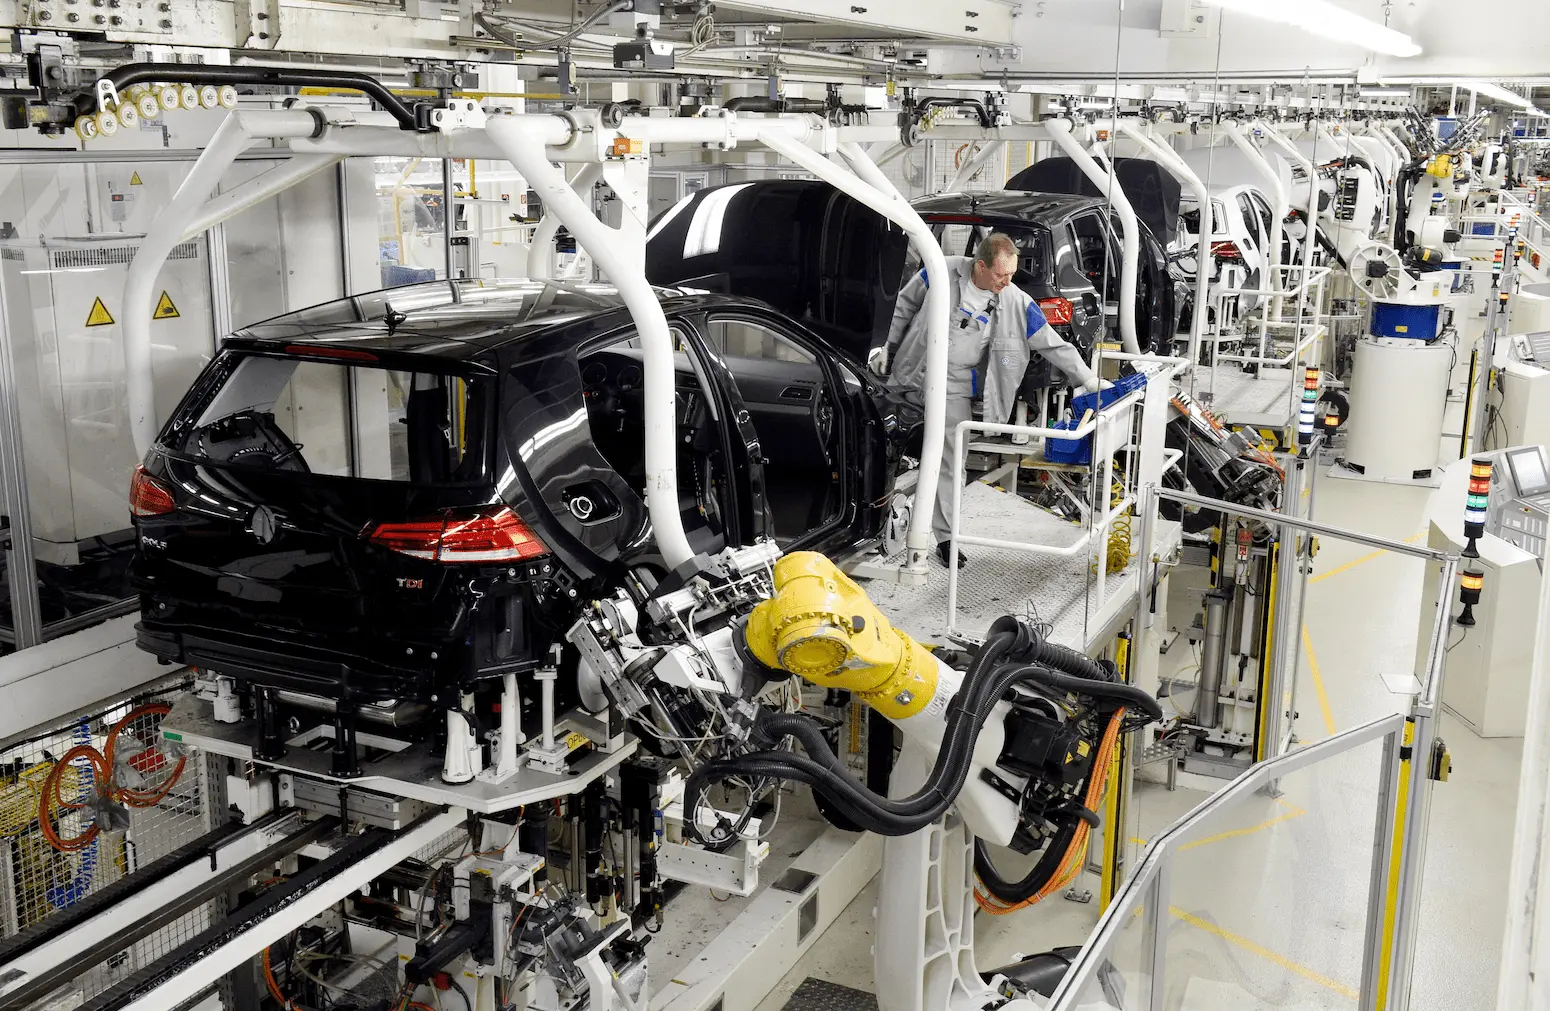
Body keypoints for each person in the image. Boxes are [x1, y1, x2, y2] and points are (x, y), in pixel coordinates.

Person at [875, 232, 1104, 568]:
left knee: (951, 462)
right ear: (979, 266)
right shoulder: (939, 271)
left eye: (1011, 275)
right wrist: (883, 346)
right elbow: (901, 308)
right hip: (910, 377)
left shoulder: (1015, 300)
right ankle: (872, 527)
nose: (1007, 282)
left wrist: (1086, 378)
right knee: (884, 449)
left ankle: (945, 538)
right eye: (1000, 275)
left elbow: (1053, 344)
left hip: (954, 386)